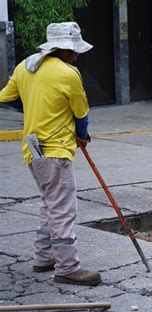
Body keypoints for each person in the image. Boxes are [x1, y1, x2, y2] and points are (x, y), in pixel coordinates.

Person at [0, 22, 101, 286]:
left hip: (32, 150)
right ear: (63, 50)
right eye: (74, 51)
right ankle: (67, 267)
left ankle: (43, 257)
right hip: (56, 150)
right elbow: (81, 112)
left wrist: (33, 105)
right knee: (63, 209)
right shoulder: (68, 73)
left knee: (49, 203)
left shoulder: (25, 67)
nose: (76, 56)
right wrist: (83, 134)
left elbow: (5, 97)